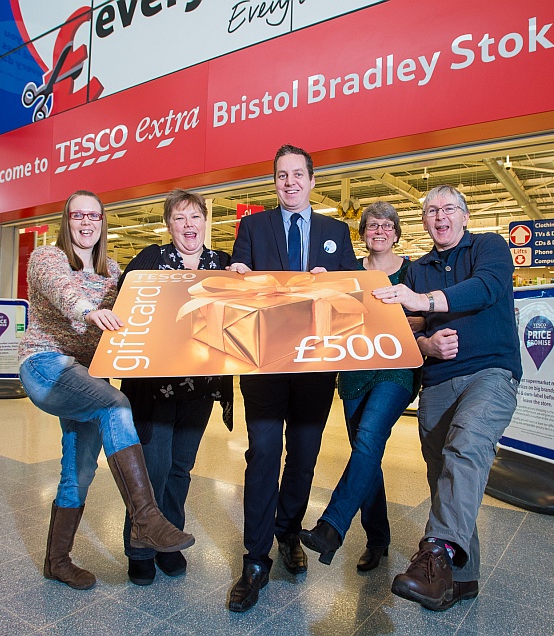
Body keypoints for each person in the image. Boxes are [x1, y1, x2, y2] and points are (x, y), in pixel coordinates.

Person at [18, 189, 194, 591]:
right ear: (67, 221)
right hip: (46, 364)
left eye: (93, 216)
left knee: (79, 470)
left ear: (102, 222)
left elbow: (142, 309)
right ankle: (146, 519)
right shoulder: (48, 257)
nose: (85, 223)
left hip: (87, 378)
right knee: (116, 406)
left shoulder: (112, 272)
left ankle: (57, 561)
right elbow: (64, 292)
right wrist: (88, 310)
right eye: (77, 215)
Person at [374, 184, 521, 612]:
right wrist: (425, 344)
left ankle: (434, 554)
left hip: (491, 373)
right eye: (431, 210)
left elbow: (486, 288)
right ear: (423, 221)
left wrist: (423, 301)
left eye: (449, 208)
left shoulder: (489, 248)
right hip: (438, 381)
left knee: (468, 444)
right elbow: (409, 326)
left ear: (464, 215)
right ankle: (461, 579)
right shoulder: (418, 267)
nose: (440, 216)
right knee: (446, 476)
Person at [227, 144, 358, 612]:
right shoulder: (253, 226)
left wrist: (335, 280)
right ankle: (255, 559)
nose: (290, 182)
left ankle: (287, 533)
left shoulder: (335, 231)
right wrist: (238, 273)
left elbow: (353, 290)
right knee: (263, 452)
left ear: (312, 180)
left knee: (304, 454)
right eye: (282, 175)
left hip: (316, 364)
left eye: (298, 174)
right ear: (275, 181)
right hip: (264, 360)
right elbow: (237, 278)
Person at [118, 189, 233, 586]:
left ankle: (168, 543)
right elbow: (124, 302)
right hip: (155, 388)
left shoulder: (222, 263)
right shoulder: (152, 258)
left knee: (181, 468)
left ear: (205, 222)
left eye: (195, 217)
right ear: (169, 225)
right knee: (154, 467)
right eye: (180, 218)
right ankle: (140, 546)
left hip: (200, 388)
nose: (189, 225)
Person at [299, 201, 420, 570]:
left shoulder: (413, 272)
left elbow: (422, 319)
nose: (379, 231)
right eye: (372, 226)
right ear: (363, 233)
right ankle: (379, 539)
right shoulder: (349, 270)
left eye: (386, 226)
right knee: (367, 453)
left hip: (396, 367)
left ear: (396, 233)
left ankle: (332, 526)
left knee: (368, 436)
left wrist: (388, 321)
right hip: (354, 369)